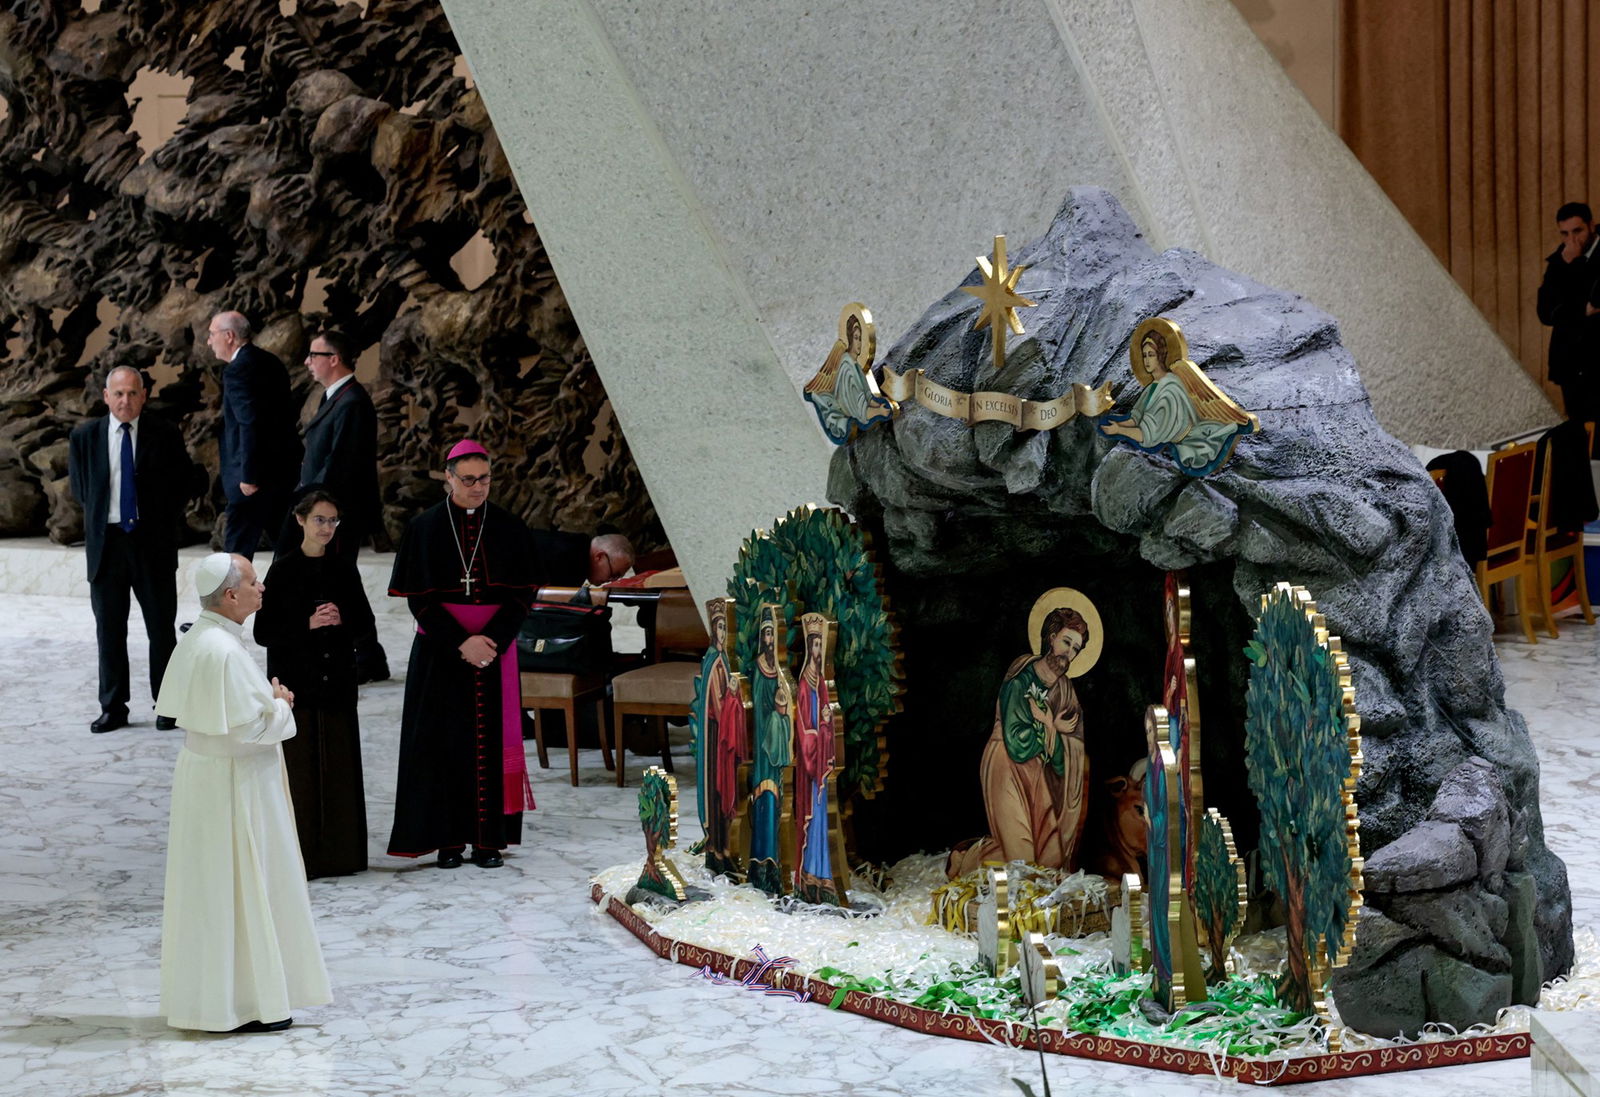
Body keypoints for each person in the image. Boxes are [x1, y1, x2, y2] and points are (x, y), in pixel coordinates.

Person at [155, 552, 330, 1032]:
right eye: (254, 581)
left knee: (219, 892)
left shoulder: (203, 639)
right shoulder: (223, 651)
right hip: (236, 785)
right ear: (231, 594)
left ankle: (228, 999)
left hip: (211, 780)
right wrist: (280, 703)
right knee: (244, 885)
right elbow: (246, 730)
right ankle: (251, 1002)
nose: (262, 588)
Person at [387, 439, 543, 868]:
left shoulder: (509, 527)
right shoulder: (424, 527)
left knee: (491, 743)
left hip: (496, 649)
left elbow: (522, 596)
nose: (478, 488)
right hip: (441, 650)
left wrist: (488, 641)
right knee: (441, 745)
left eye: (485, 479)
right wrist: (462, 642)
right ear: (448, 479)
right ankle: (448, 843)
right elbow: (418, 599)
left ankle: (489, 842)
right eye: (469, 480)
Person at [254, 491, 374, 879]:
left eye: (333, 520)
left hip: (337, 682)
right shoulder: (283, 569)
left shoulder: (344, 568)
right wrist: (307, 624)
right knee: (300, 773)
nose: (327, 528)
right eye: (320, 519)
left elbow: (366, 627)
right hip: (298, 684)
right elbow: (264, 631)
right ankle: (301, 857)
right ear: (301, 520)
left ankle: (342, 856)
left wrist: (341, 619)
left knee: (339, 769)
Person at [68, 366, 194, 733]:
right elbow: (80, 489)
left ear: (144, 395)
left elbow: (182, 483)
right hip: (106, 545)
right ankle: (113, 707)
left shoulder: (164, 434)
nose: (125, 400)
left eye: (132, 393)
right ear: (106, 397)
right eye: (118, 394)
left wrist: (158, 520)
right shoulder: (84, 436)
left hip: (150, 544)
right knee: (109, 630)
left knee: (160, 629)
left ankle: (168, 705)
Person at [948, 606, 1091, 877]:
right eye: (1066, 642)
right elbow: (1016, 742)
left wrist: (1051, 727)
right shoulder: (1020, 679)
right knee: (1023, 860)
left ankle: (975, 854)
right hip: (1006, 764)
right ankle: (967, 862)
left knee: (1051, 857)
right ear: (1051, 637)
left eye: (1076, 649)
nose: (1069, 653)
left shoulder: (1065, 690)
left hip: (1038, 771)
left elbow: (1064, 760)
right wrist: (1049, 727)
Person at [291, 329, 388, 680]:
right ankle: (367, 655)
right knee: (342, 584)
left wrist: (316, 513)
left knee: (341, 584)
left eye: (314, 355)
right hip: (328, 514)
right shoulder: (336, 398)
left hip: (337, 516)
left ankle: (364, 656)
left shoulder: (352, 402)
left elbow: (341, 467)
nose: (307, 362)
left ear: (333, 359)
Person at [1098, 327, 1255, 476]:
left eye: (1151, 355)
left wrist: (1119, 430)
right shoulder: (1151, 387)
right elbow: (1135, 419)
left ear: (1161, 356)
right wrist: (1115, 425)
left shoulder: (1171, 388)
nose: (1146, 360)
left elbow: (1149, 436)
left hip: (1195, 446)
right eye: (1144, 355)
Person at [207, 311, 300, 558]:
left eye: (212, 334)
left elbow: (249, 423)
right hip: (281, 473)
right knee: (288, 548)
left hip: (251, 480)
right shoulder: (272, 362)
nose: (209, 341)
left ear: (229, 336)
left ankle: (234, 597)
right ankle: (296, 597)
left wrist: (249, 476)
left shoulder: (237, 370)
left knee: (236, 554)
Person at [793, 612, 843, 904]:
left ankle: (824, 874)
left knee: (824, 818)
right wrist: (819, 729)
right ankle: (810, 873)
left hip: (824, 765)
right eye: (812, 646)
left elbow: (827, 721)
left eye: (818, 647)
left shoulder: (825, 684)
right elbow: (802, 727)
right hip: (812, 767)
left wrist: (827, 723)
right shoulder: (804, 684)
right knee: (812, 819)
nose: (815, 652)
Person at [1536, 201, 1600, 427]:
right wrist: (1582, 310)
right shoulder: (1560, 260)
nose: (1572, 240)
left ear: (1591, 226)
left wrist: (1569, 309)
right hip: (1571, 362)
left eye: (1578, 231)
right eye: (1565, 233)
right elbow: (1545, 311)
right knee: (1580, 433)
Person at [804, 307, 896, 444]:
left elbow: (867, 396)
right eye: (856, 338)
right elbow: (857, 410)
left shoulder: (856, 367)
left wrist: (877, 405)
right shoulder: (846, 367)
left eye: (861, 338)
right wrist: (879, 412)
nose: (860, 343)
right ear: (850, 338)